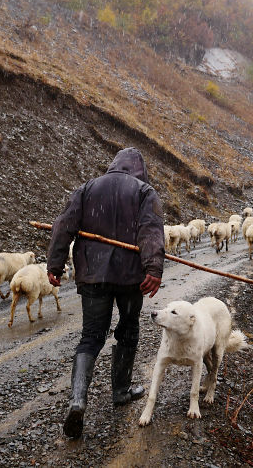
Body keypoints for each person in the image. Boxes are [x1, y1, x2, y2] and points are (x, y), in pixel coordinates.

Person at [46, 147, 165, 439]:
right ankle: (121, 391)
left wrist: (55, 264)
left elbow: (64, 225)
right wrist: (154, 268)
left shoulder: (88, 188)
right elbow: (151, 230)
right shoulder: (144, 191)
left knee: (90, 336)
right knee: (127, 330)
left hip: (92, 275)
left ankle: (77, 400)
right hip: (129, 278)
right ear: (138, 169)